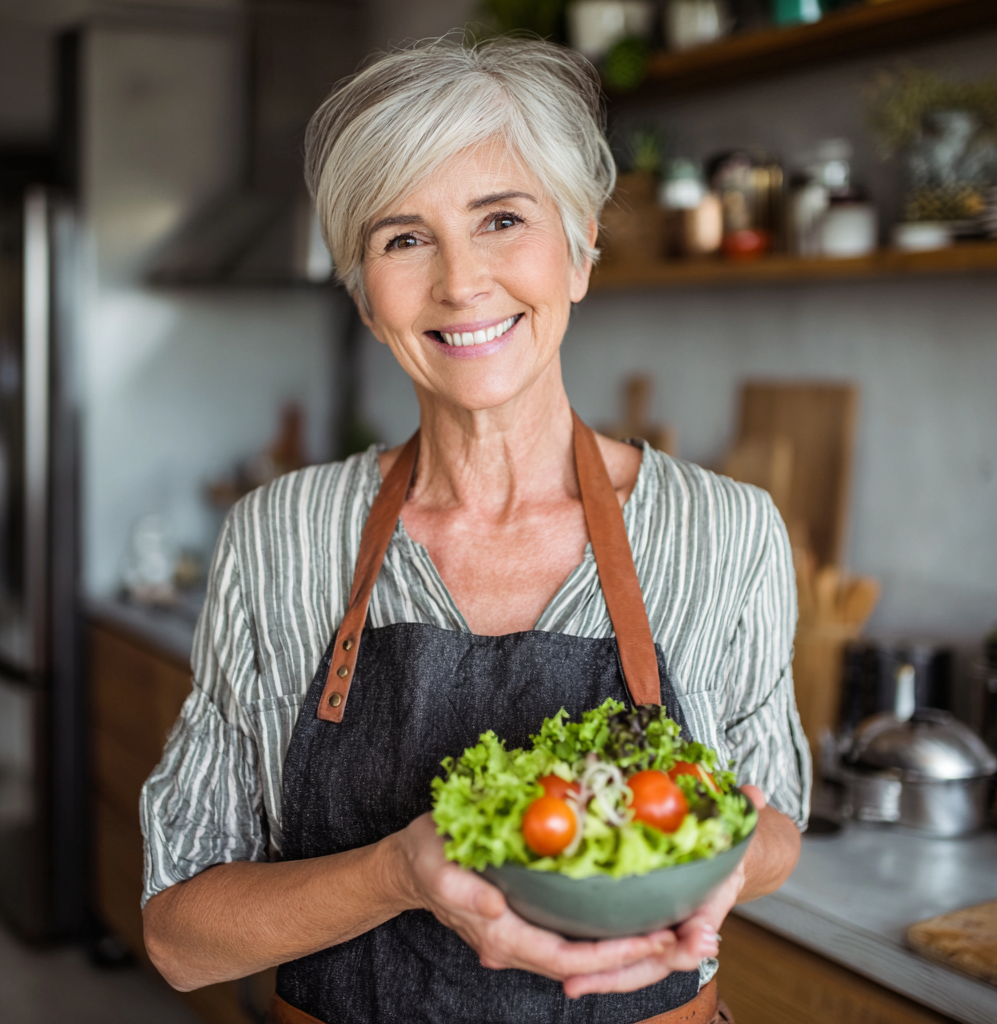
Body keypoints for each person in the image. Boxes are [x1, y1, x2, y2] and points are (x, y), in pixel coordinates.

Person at [141, 36, 808, 1024]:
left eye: (501, 218)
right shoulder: (281, 536)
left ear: (579, 247)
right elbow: (178, 944)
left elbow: (777, 826)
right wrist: (397, 873)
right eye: (403, 238)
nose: (460, 281)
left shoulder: (725, 529)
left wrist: (714, 857)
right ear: (364, 294)